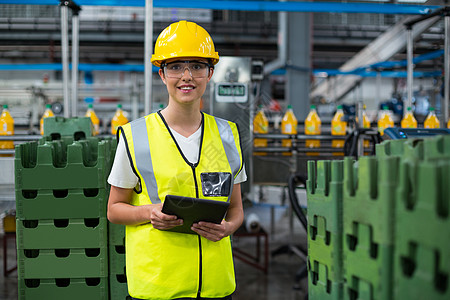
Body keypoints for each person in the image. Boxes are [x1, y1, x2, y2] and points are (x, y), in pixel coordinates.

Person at [107, 20, 246, 300]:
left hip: (215, 287)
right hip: (158, 287)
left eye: (196, 66)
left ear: (210, 73)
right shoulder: (135, 136)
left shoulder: (227, 135)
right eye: (175, 67)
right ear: (161, 74)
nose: (187, 76)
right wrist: (149, 212)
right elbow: (114, 209)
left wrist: (229, 227)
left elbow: (236, 209)